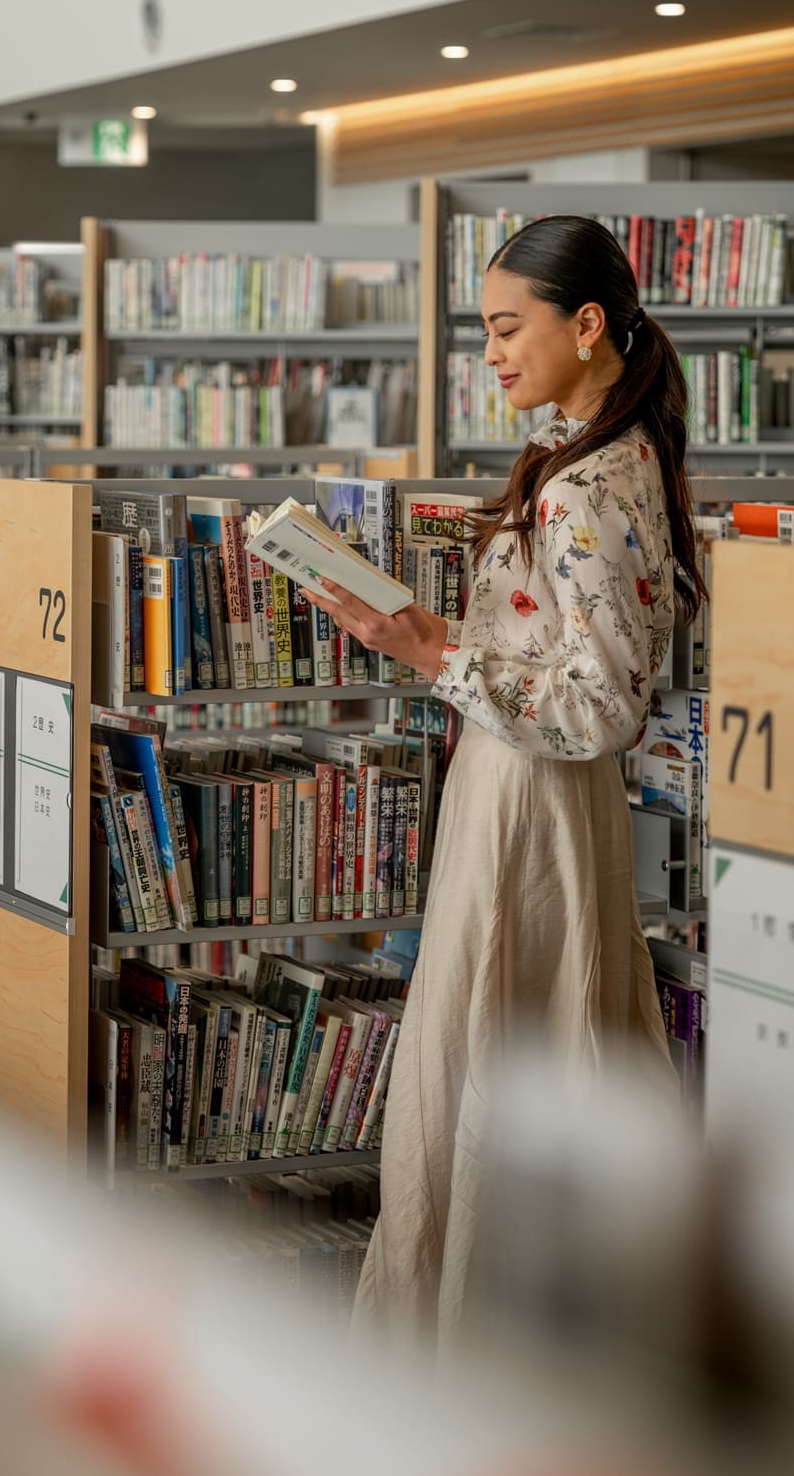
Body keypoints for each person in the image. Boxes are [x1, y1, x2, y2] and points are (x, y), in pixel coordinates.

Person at [302, 214, 705, 1344]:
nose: (490, 353)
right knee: (529, 1055)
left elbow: (602, 706)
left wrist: (431, 653)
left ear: (586, 325)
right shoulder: (611, 455)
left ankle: (466, 1341)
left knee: (488, 1059)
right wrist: (436, 637)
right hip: (532, 792)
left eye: (505, 326)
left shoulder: (584, 485)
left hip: (530, 800)